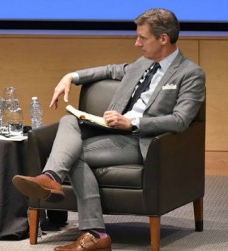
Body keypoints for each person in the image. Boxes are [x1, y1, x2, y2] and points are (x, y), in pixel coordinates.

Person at [12, 8, 205, 251]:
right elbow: (110, 70)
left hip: (143, 140)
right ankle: (52, 180)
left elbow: (180, 120)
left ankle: (94, 231)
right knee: (68, 121)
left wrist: (132, 123)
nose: (137, 43)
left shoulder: (191, 74)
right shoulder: (143, 64)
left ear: (163, 38)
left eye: (142, 38)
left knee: (72, 155)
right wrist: (71, 76)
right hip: (111, 132)